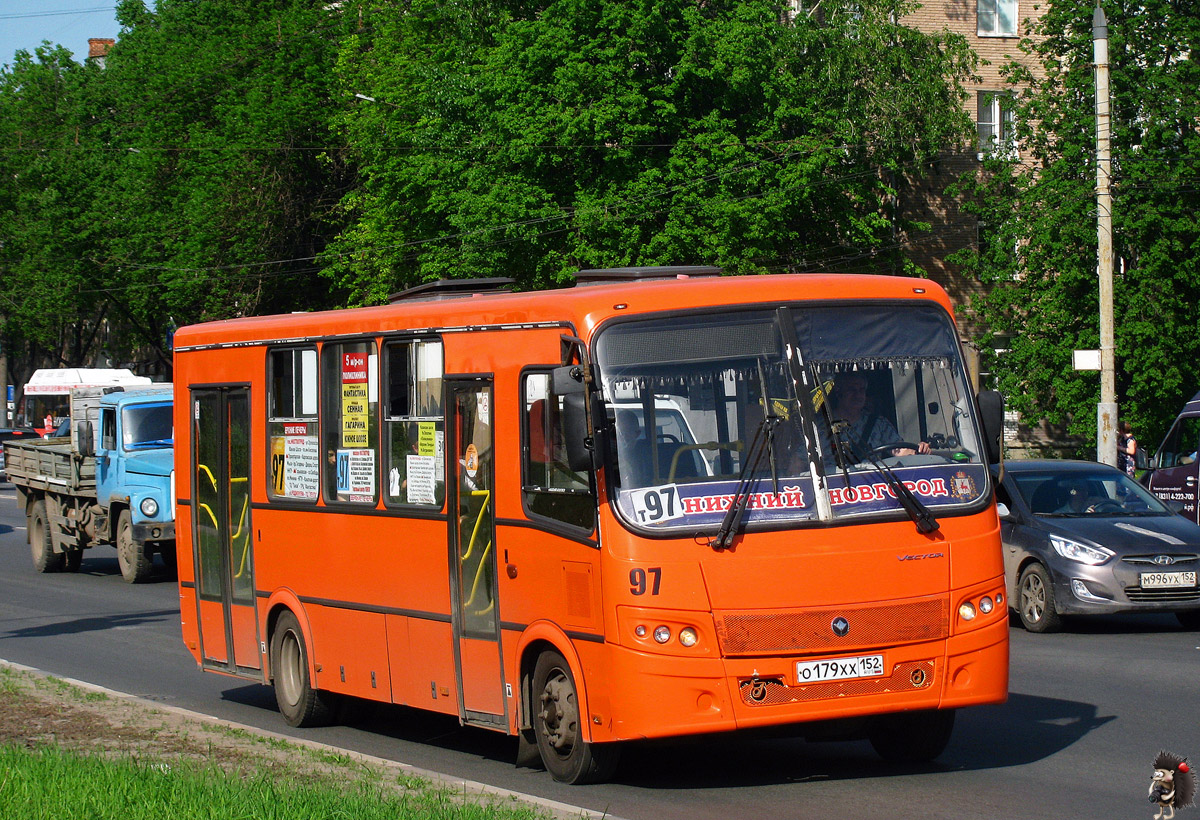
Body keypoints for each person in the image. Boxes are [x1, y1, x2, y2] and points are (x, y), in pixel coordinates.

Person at [819, 372, 930, 461]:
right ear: (839, 392)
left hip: (872, 484)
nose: (858, 395)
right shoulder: (820, 426)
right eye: (852, 390)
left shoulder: (879, 424)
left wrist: (919, 450)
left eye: (861, 390)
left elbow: (900, 451)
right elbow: (802, 461)